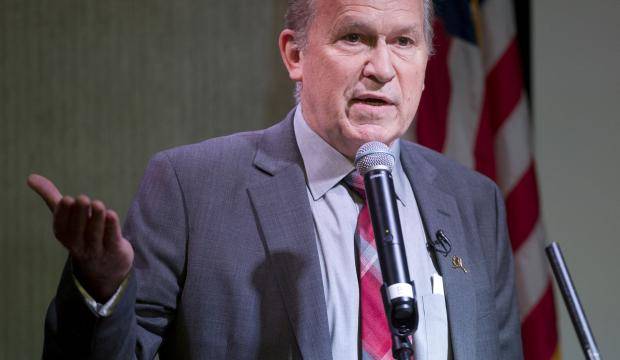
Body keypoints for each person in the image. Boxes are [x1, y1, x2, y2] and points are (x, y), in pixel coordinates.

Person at [29, 0, 523, 358]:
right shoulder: (190, 186)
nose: (382, 68)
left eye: (404, 42)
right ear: (295, 56)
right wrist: (101, 288)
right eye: (354, 37)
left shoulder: (473, 201)